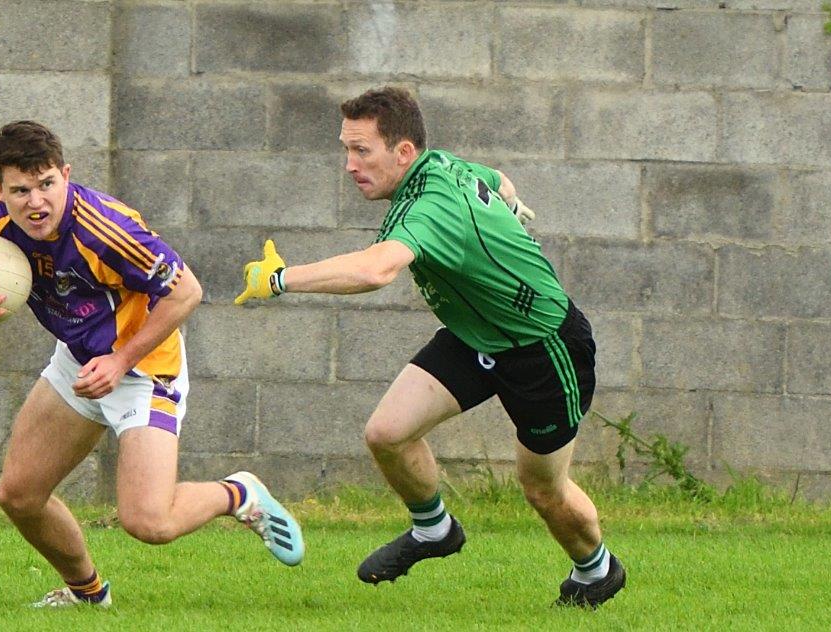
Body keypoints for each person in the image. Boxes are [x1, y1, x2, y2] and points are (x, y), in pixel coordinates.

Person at [234, 88, 624, 608]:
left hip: (543, 349)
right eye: (346, 150)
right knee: (387, 433)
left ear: (403, 152)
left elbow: (378, 269)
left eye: (362, 152)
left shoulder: (432, 204)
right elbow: (497, 180)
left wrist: (283, 278)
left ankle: (596, 571)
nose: (349, 165)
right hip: (474, 336)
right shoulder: (440, 165)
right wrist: (507, 205)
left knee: (543, 491)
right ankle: (434, 530)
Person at [0, 120, 304, 608]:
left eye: (47, 184)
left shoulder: (106, 228)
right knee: (19, 496)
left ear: (65, 173)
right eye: (20, 190)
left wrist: (121, 359)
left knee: (148, 523)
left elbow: (187, 292)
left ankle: (238, 494)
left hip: (145, 368)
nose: (36, 202)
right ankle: (88, 595)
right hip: (80, 363)